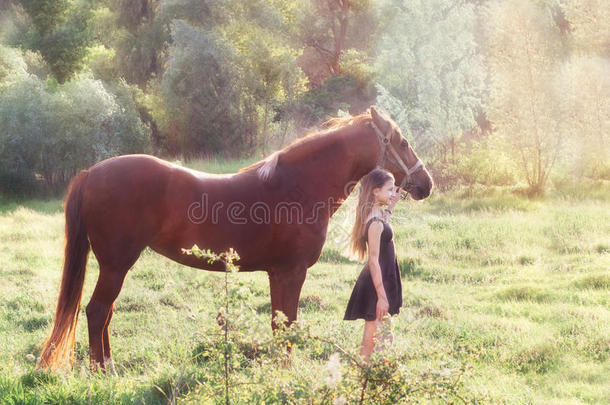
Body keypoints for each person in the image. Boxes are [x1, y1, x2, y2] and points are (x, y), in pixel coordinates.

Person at [344, 168, 405, 363]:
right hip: (377, 282)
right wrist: (381, 296)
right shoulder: (375, 223)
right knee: (381, 336)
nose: (393, 194)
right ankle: (373, 377)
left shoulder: (376, 216)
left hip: (381, 279)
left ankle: (365, 377)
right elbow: (373, 260)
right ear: (375, 191)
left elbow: (382, 224)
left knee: (376, 333)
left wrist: (390, 207)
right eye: (389, 190)